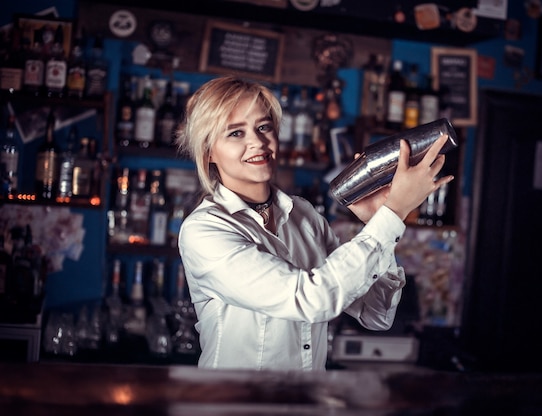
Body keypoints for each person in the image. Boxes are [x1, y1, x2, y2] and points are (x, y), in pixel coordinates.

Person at [175, 75, 454, 371]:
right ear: (207, 152)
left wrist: (377, 219)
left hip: (306, 403)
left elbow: (376, 315)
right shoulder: (204, 231)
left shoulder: (303, 215)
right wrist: (393, 213)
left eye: (263, 127)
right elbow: (309, 299)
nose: (257, 142)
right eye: (235, 133)